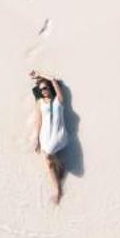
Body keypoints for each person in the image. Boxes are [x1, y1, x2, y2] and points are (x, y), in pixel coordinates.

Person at [29, 70, 69, 203]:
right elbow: (38, 120)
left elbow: (52, 78)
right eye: (41, 90)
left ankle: (60, 167)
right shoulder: (40, 102)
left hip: (59, 134)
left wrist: (39, 74)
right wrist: (35, 137)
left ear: (50, 87)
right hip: (45, 134)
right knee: (48, 162)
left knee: (48, 154)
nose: (43, 91)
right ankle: (57, 189)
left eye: (45, 88)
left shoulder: (59, 99)